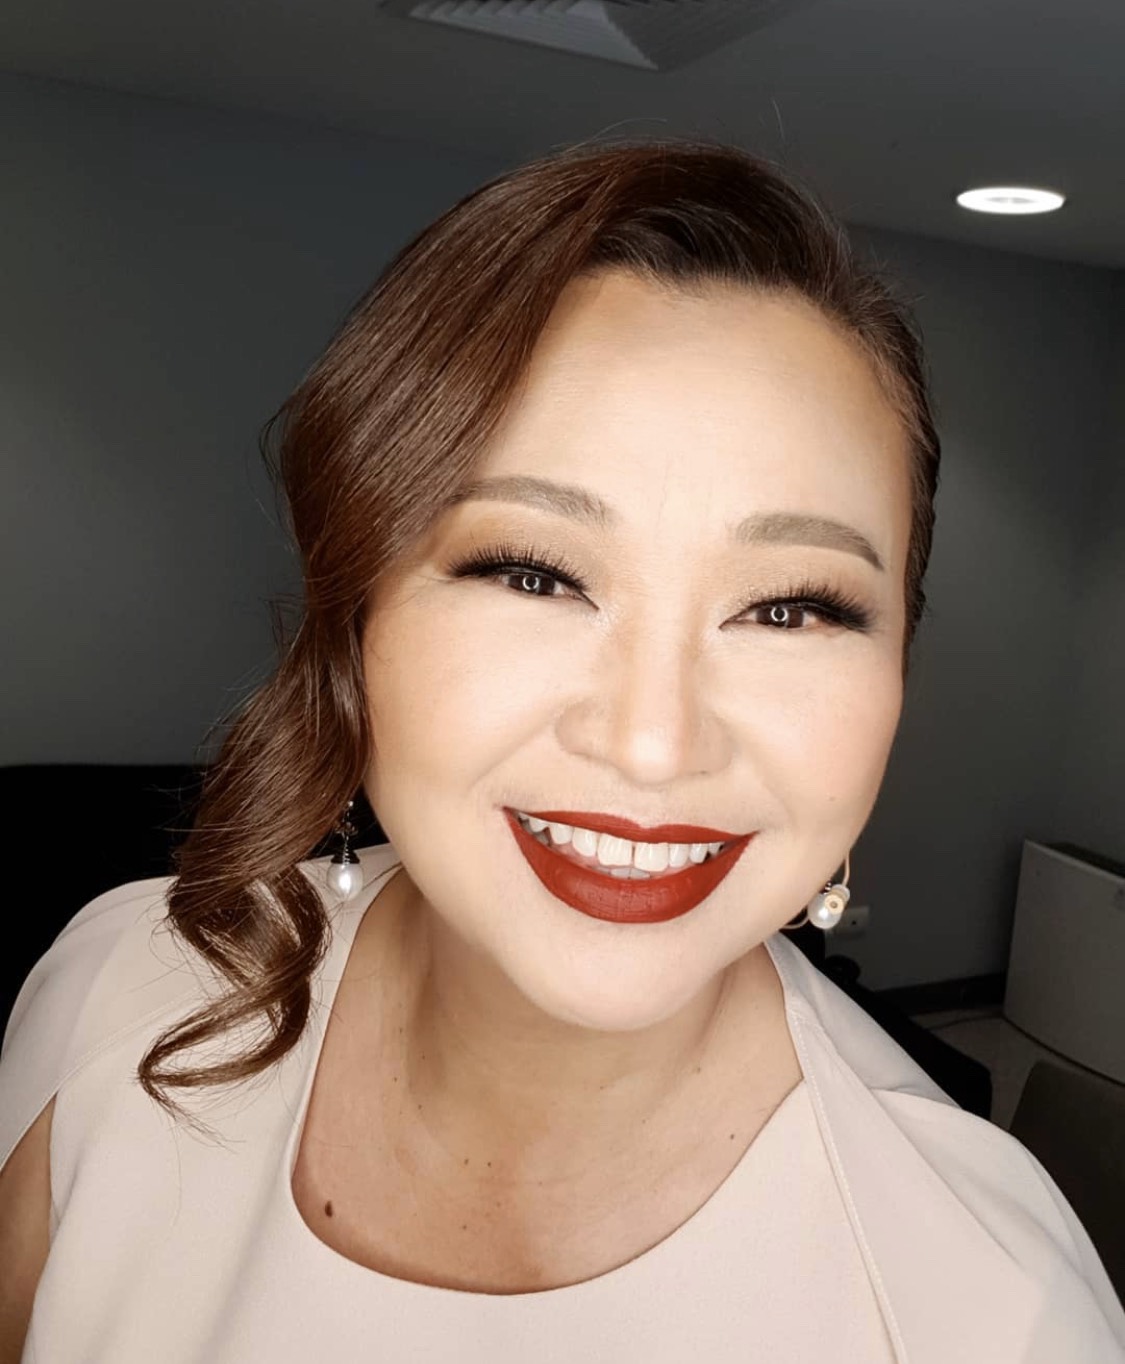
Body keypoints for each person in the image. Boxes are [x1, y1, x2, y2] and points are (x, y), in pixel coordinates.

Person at [1, 138, 1122, 1364]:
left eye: (790, 606)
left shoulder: (994, 1311)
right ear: (356, 610)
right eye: (532, 572)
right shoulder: (123, 992)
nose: (653, 743)